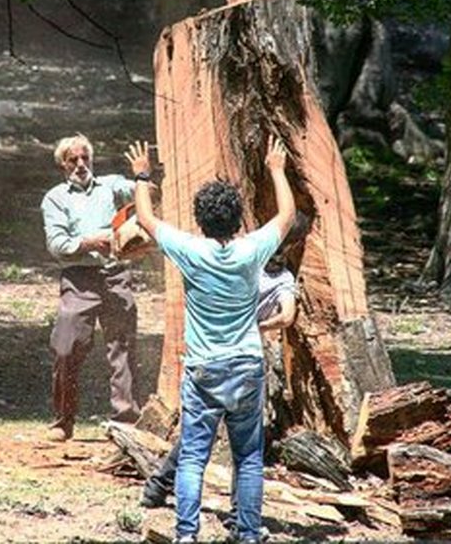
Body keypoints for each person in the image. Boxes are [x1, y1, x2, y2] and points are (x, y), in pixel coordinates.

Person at [126, 137, 295, 544]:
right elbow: (288, 216)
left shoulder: (189, 250)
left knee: (192, 458)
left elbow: (146, 219)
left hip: (204, 369)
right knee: (250, 459)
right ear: (238, 219)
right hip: (247, 365)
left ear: (200, 219)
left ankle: (187, 536)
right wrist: (276, 169)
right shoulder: (251, 250)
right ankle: (248, 535)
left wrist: (143, 175)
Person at [139, 212, 311, 515]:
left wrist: (256, 325)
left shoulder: (253, 259)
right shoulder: (256, 260)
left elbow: (287, 315)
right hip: (243, 362)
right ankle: (238, 521)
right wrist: (255, 327)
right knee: (245, 451)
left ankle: (161, 489)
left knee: (198, 437)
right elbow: (286, 316)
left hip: (211, 356)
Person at [41, 133, 142, 442]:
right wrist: (90, 242)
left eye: (85, 158)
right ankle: (63, 420)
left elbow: (145, 194)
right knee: (65, 348)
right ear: (62, 164)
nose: (81, 165)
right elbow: (57, 244)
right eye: (74, 160)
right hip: (78, 279)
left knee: (122, 349)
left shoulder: (111, 185)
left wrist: (143, 176)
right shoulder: (55, 198)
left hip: (115, 275)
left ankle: (125, 421)